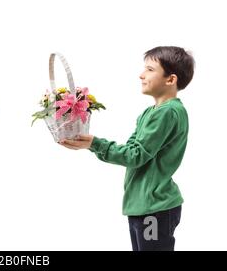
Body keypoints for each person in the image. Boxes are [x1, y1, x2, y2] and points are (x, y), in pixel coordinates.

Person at [59, 46, 194, 251]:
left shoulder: (167, 113)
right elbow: (131, 150)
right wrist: (92, 144)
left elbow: (135, 156)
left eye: (150, 69)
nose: (141, 75)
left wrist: (94, 143)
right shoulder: (150, 112)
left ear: (170, 79)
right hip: (143, 207)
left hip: (154, 210)